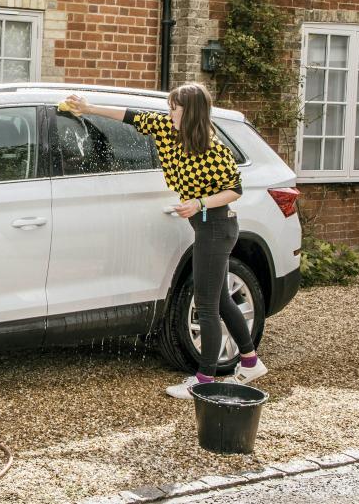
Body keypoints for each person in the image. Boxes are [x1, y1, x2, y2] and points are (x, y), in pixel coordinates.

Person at [63, 83, 267, 399]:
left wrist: (199, 203)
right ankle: (250, 361)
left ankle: (205, 379)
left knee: (207, 305)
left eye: (175, 108)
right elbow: (130, 116)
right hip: (206, 228)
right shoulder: (168, 131)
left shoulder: (212, 149)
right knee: (221, 299)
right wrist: (89, 108)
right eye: (171, 106)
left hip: (216, 227)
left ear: (192, 113)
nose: (169, 112)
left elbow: (235, 190)